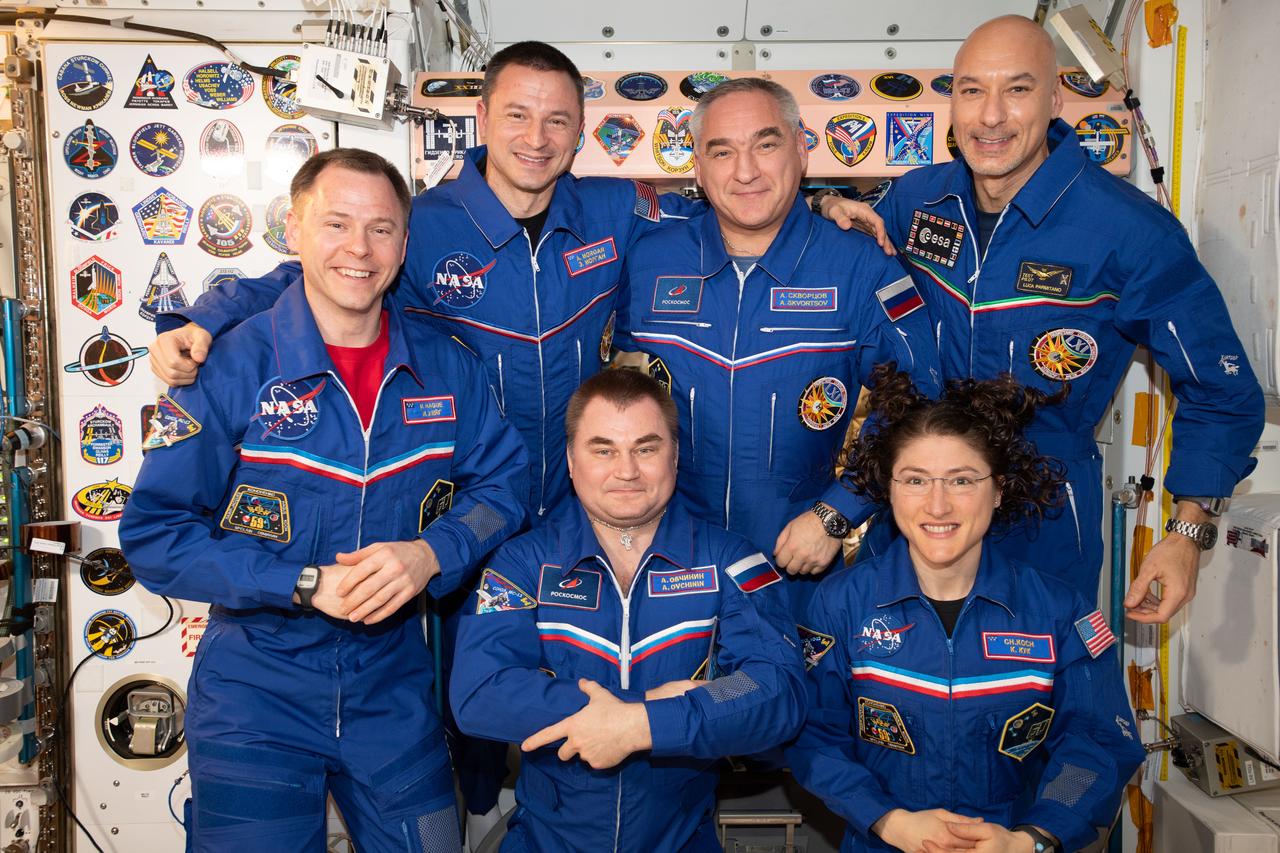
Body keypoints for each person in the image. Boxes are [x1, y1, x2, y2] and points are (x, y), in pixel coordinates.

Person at [118, 148, 528, 852]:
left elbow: (505, 486)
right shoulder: (231, 367)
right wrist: (302, 583)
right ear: (295, 229)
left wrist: (431, 553)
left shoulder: (445, 365)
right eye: (336, 224)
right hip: (256, 694)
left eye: (381, 228)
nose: (359, 249)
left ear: (404, 243)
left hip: (392, 689)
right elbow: (156, 536)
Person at [822, 14, 1264, 621]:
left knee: (1042, 677)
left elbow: (1221, 390)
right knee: (890, 676)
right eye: (972, 90)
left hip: (1045, 523)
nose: (991, 116)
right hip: (918, 513)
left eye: (1017, 89)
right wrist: (827, 202)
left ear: (1055, 99)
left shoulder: (1128, 231)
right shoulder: (917, 199)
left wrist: (1187, 533)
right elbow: (841, 237)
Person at [615, 77, 942, 617]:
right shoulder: (650, 258)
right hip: (667, 556)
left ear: (802, 149)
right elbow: (614, 395)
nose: (745, 171)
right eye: (722, 152)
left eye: (765, 145)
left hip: (799, 561)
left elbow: (917, 403)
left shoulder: (860, 265)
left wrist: (838, 514)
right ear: (698, 167)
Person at [787, 366, 1146, 853]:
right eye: (915, 480)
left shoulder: (1059, 612)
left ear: (998, 491)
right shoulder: (840, 603)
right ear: (888, 490)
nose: (937, 506)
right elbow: (814, 734)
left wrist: (1032, 838)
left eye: (961, 480)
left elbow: (1097, 743)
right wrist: (887, 820)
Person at [449, 369, 805, 852]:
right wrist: (645, 709)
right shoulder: (522, 562)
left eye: (646, 448)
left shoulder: (730, 560)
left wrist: (642, 726)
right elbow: (480, 693)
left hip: (681, 841)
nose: (627, 471)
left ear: (674, 456)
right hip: (546, 840)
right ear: (571, 460)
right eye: (603, 450)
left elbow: (778, 691)